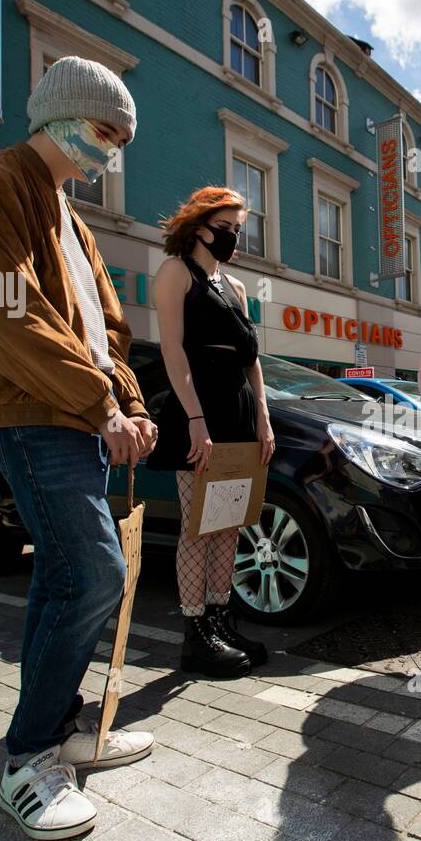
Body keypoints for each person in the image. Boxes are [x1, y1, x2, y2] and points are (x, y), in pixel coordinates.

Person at [0, 56, 158, 841]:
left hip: (77, 418)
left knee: (63, 577)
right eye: (104, 130)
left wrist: (127, 402)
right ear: (56, 112)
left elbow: (109, 332)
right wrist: (103, 404)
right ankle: (29, 761)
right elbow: (7, 313)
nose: (113, 150)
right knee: (97, 572)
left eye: (122, 138)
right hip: (36, 414)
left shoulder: (74, 219)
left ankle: (58, 729)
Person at [149, 186, 275, 677]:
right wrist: (196, 419)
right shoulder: (175, 272)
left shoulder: (237, 287)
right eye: (227, 228)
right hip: (196, 414)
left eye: (239, 229)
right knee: (198, 524)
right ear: (200, 227)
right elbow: (173, 352)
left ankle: (221, 621)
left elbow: (252, 360)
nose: (235, 237)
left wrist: (263, 415)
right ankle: (194, 634)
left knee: (229, 522)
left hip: (238, 414)